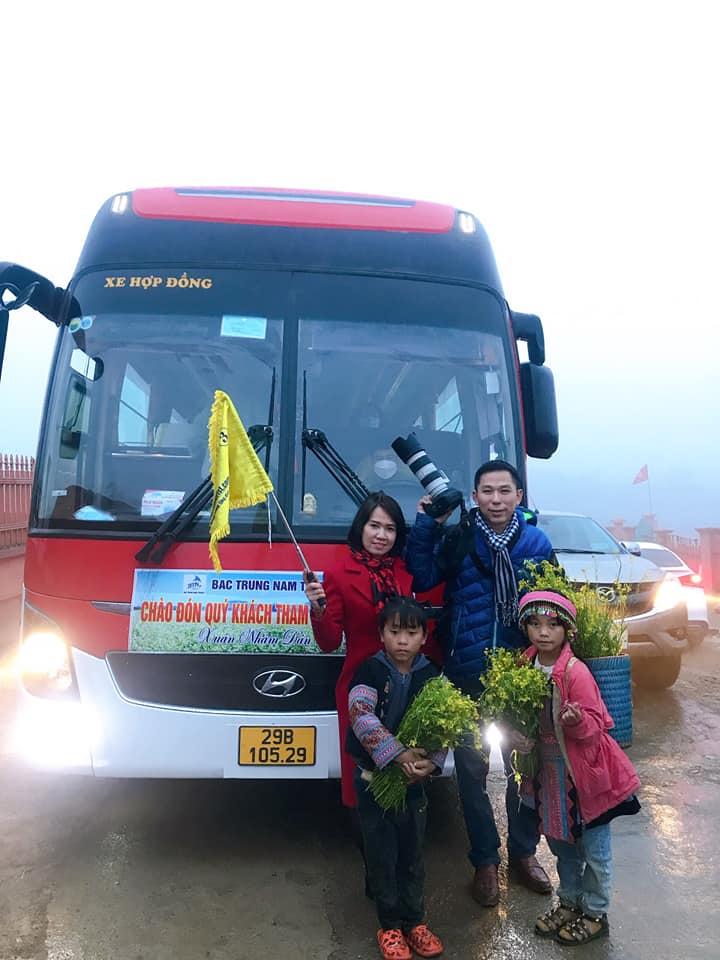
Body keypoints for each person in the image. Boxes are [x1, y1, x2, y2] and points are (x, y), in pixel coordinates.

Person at [404, 459, 555, 906]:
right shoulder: (460, 537)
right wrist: (426, 523)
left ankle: (523, 853)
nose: (496, 499)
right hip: (465, 673)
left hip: (519, 678)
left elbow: (553, 602)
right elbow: (422, 576)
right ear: (474, 497)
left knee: (524, 771)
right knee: (472, 775)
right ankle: (485, 861)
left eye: (505, 491)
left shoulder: (536, 543)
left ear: (518, 497)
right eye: (487, 491)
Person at [517, 590, 641, 945]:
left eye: (552, 625)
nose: (543, 632)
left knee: (595, 851)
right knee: (561, 845)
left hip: (586, 776)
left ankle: (595, 912)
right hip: (548, 775)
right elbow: (516, 716)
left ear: (567, 630)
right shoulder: (522, 667)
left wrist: (576, 722)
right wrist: (515, 735)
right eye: (535, 624)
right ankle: (570, 903)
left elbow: (595, 728)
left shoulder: (576, 672)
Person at [304, 491, 441, 808]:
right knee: (363, 783)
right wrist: (318, 609)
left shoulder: (407, 571)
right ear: (360, 527)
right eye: (374, 526)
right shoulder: (339, 574)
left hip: (407, 685)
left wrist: (429, 519)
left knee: (407, 774)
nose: (381, 535)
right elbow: (329, 643)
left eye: (390, 528)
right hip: (362, 686)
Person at [346, 596, 445, 960]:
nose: (402, 640)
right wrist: (398, 754)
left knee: (412, 854)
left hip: (414, 783)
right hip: (373, 779)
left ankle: (414, 922)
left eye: (412, 633)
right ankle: (389, 926)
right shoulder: (369, 670)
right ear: (381, 635)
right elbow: (361, 715)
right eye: (395, 631)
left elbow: (443, 726)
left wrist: (431, 763)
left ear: (424, 637)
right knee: (382, 854)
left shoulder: (432, 675)